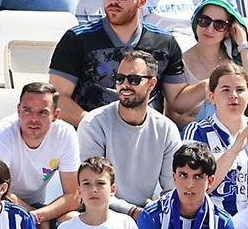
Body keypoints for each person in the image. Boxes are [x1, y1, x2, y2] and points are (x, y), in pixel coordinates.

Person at [49, 0, 190, 124]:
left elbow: (177, 100)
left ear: (141, 1)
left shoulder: (165, 43)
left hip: (146, 136)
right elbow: (57, 97)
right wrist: (94, 126)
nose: (113, 0)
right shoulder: (77, 39)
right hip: (94, 137)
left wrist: (207, 86)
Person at [75, 51, 179, 212]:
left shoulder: (166, 129)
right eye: (119, 78)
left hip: (146, 214)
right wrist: (132, 212)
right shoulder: (93, 123)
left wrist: (154, 209)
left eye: (133, 79)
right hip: (100, 214)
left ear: (152, 84)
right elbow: (93, 187)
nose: (124, 85)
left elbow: (172, 189)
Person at [0, 83, 82, 229]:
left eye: (42, 113)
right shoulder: (2, 133)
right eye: (27, 110)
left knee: (73, 220)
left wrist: (39, 216)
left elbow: (73, 196)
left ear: (56, 115)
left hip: (38, 208)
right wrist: (35, 217)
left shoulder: (65, 134)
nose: (33, 119)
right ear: (18, 110)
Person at [184, 62, 248, 219]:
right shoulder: (197, 132)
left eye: (240, 90)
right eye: (225, 90)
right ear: (211, 97)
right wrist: (233, 151)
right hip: (214, 219)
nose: (234, 95)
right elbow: (195, 187)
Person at [168, 0, 248, 129]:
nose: (209, 29)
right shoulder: (178, 62)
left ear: (228, 31)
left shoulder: (235, 63)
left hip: (235, 137)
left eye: (219, 25)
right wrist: (209, 129)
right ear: (196, 21)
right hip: (194, 139)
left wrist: (243, 44)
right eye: (204, 21)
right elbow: (173, 115)